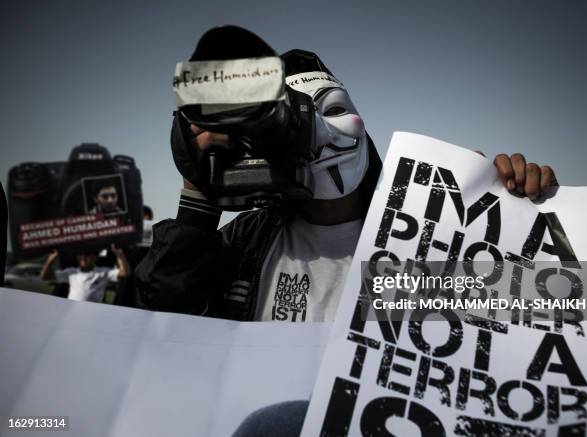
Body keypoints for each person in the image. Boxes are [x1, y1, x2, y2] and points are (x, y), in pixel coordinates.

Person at [135, 30, 558, 322]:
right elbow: (163, 328)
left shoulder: (431, 233)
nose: (319, 133)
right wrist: (198, 199)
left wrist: (515, 215)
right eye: (295, 122)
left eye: (334, 110)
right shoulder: (244, 243)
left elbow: (568, 305)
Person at [41, 244, 129, 303]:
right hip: (72, 312)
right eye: (80, 254)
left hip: (93, 313)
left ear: (95, 257)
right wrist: (50, 259)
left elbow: (125, 273)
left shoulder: (103, 272)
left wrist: (119, 255)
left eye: (87, 254)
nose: (83, 257)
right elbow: (45, 276)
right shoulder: (71, 272)